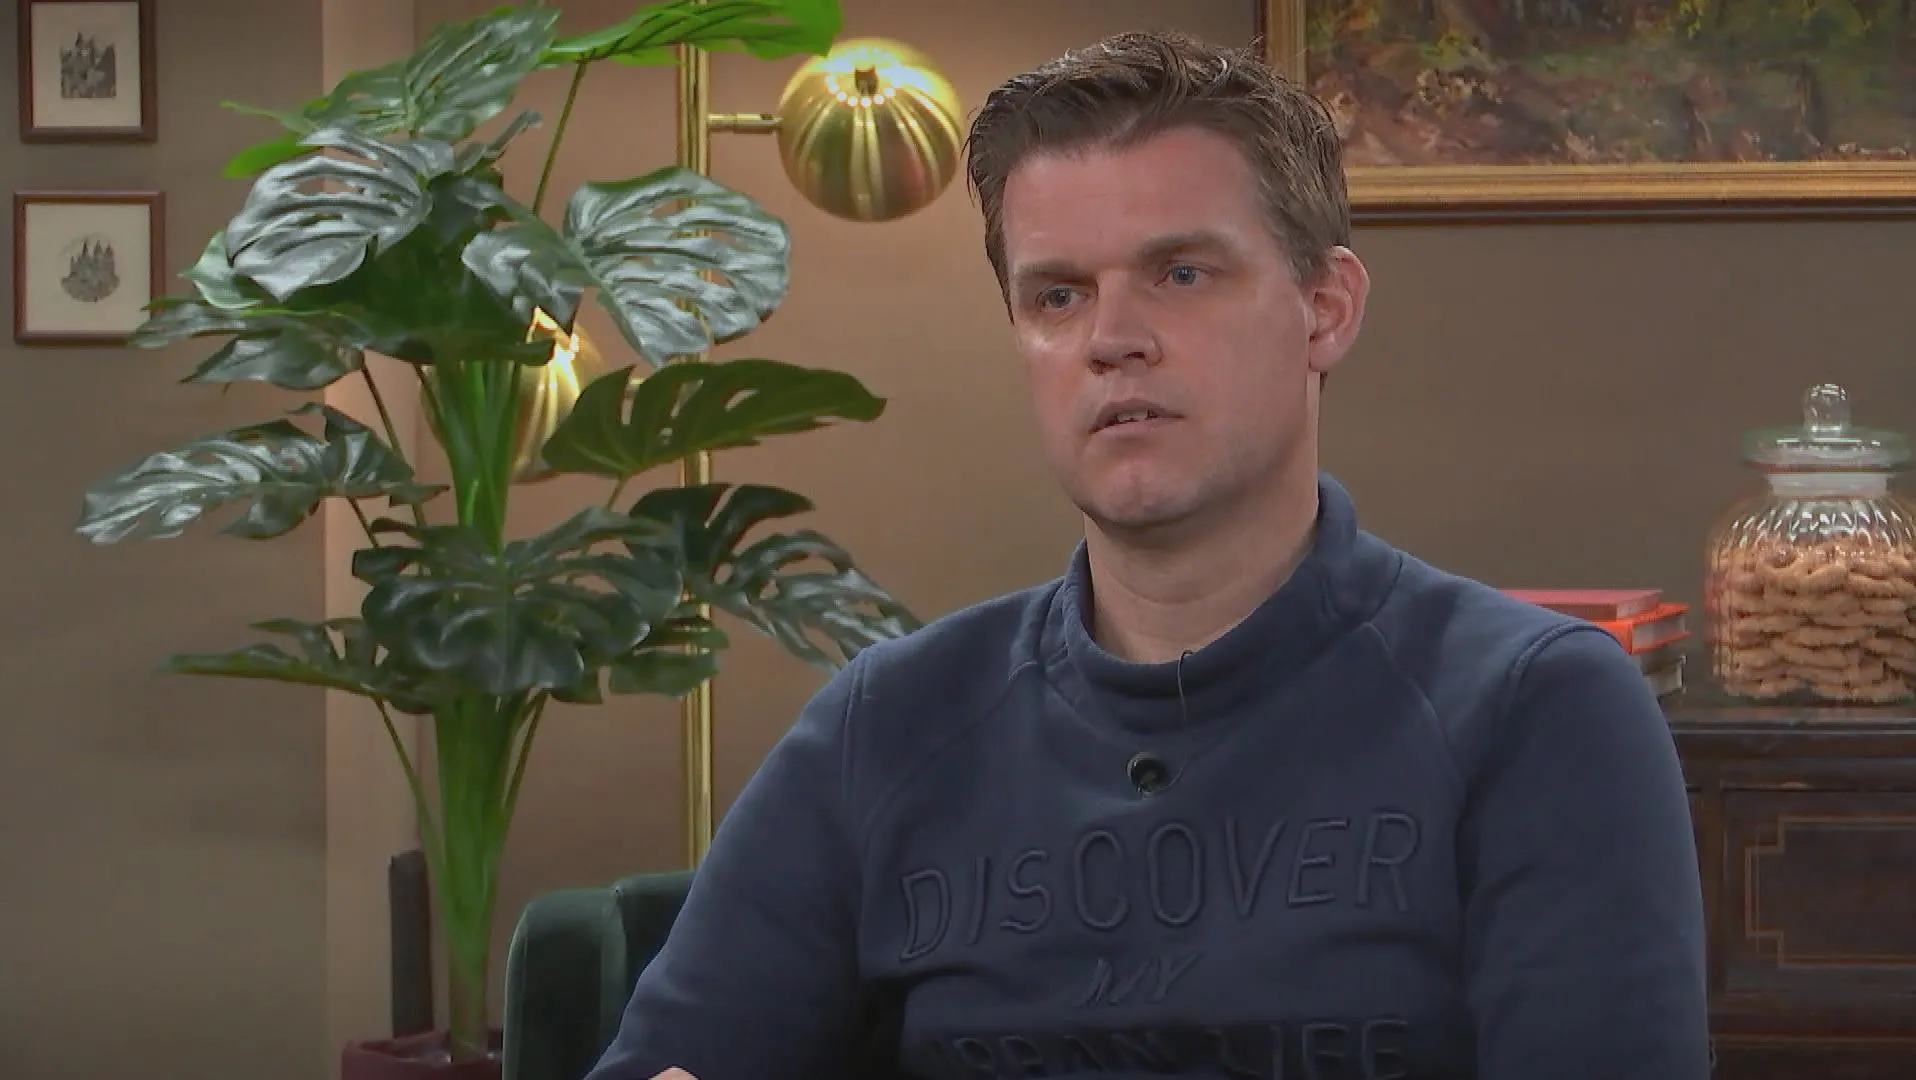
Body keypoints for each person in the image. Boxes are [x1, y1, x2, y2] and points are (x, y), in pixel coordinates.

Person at [585, 29, 1711, 1080]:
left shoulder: (1534, 711)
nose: (1111, 339)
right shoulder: (886, 726)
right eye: (1058, 295)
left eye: (1180, 274)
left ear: (1324, 309)